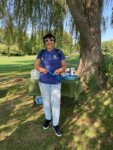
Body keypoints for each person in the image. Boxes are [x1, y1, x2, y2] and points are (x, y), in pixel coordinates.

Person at [34, 33, 66, 137]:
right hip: (43, 82)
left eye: (51, 39)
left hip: (55, 82)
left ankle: (55, 124)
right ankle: (48, 118)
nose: (49, 42)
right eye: (46, 40)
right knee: (46, 102)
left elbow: (64, 66)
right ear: (44, 42)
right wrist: (41, 69)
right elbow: (36, 65)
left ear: (54, 41)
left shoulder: (59, 52)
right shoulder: (41, 52)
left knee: (56, 103)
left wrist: (60, 70)